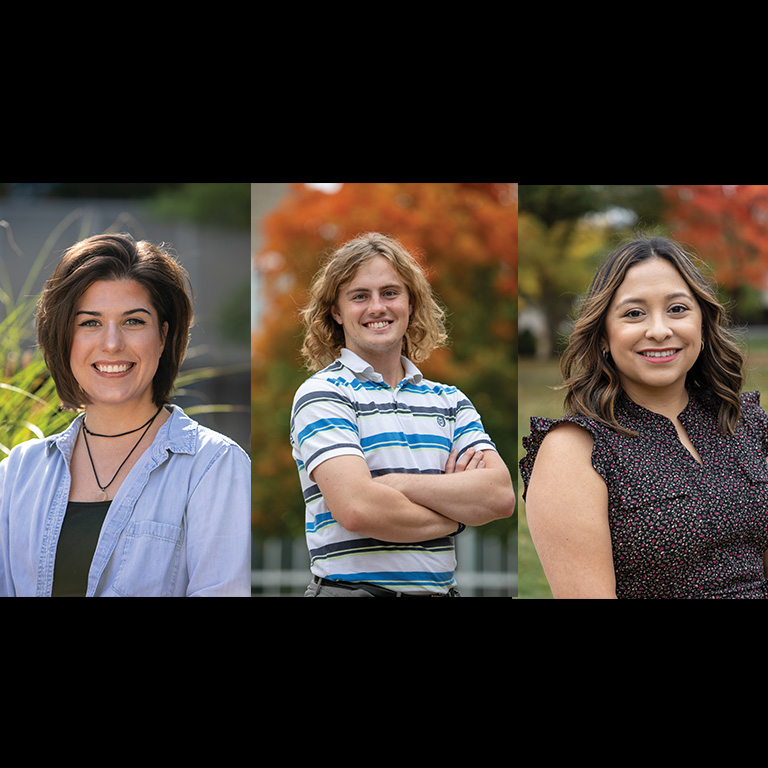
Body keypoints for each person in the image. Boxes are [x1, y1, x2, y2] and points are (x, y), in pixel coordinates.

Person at [0, 233, 250, 596]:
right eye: (90, 322)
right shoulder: (17, 473)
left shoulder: (213, 466)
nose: (113, 343)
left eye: (133, 321)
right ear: (62, 337)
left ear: (163, 336)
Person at [520, 235, 768, 599]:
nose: (659, 330)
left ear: (702, 322)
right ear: (603, 335)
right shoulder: (575, 449)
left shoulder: (744, 419)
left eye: (678, 309)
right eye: (634, 313)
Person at [290, 232, 515, 597]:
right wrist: (458, 516)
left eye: (390, 293)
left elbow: (500, 496)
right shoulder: (324, 394)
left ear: (410, 304)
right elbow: (358, 509)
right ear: (336, 311)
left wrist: (397, 484)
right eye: (359, 296)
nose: (377, 307)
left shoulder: (450, 401)